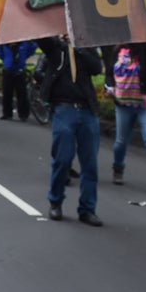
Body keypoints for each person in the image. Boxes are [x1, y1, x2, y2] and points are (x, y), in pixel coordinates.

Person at [38, 36, 104, 226]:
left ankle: (88, 209)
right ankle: (55, 201)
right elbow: (41, 39)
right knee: (63, 159)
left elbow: (96, 68)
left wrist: (78, 46)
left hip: (87, 111)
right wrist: (61, 42)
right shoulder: (55, 48)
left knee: (90, 164)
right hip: (63, 109)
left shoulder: (86, 45)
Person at [106, 43, 146, 195]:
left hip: (145, 105)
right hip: (123, 104)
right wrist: (109, 86)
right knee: (120, 142)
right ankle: (118, 168)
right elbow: (110, 74)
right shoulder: (118, 50)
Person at [0, 40, 37, 120]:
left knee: (22, 93)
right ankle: (7, 113)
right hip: (8, 70)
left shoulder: (24, 43)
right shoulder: (4, 44)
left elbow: (32, 49)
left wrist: (24, 57)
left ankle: (23, 114)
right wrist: (6, 62)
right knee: (7, 93)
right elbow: (1, 54)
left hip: (19, 70)